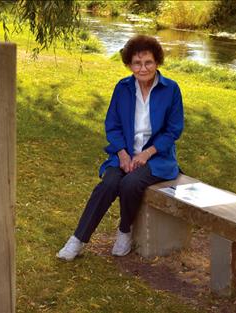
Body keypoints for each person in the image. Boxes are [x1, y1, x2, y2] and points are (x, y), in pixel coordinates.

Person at [57, 35, 184, 261]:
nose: (143, 68)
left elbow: (173, 130)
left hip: (157, 158)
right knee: (108, 184)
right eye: (137, 63)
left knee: (130, 183)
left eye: (148, 63)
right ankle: (77, 239)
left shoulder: (171, 90)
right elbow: (112, 126)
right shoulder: (123, 88)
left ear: (157, 63)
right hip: (123, 154)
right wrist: (122, 153)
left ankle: (125, 230)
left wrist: (147, 153)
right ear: (129, 64)